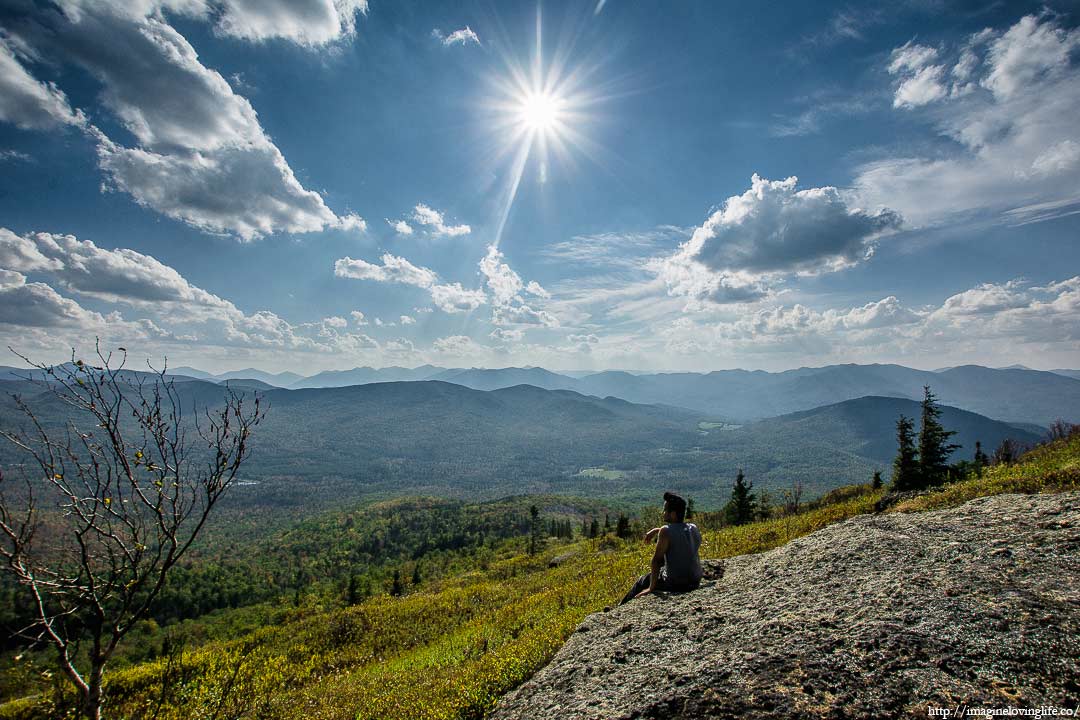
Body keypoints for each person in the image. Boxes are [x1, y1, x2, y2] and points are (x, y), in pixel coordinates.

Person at [620, 491, 703, 604]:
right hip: (695, 580)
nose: (663, 512)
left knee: (642, 580)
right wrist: (656, 530)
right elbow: (678, 533)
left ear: (673, 514)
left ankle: (620, 607)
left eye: (665, 510)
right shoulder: (693, 527)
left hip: (677, 583)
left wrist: (651, 588)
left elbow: (657, 561)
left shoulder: (666, 531)